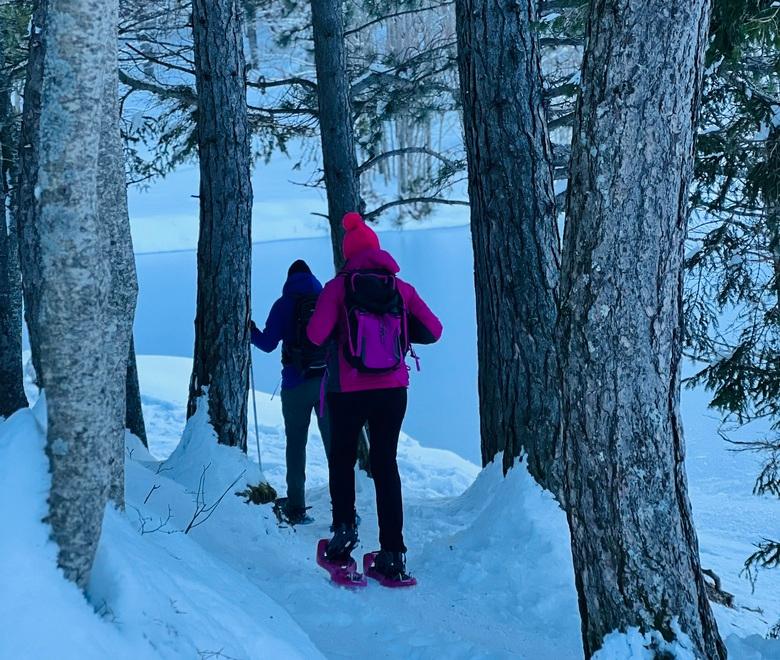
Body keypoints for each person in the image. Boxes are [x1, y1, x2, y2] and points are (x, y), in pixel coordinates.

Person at [307, 212, 442, 582]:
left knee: (342, 460)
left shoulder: (338, 288)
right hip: (393, 390)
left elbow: (315, 336)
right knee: (386, 465)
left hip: (347, 391)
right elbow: (435, 330)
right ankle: (393, 554)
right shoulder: (401, 289)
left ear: (347, 254)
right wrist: (395, 335)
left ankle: (343, 535)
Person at [250, 259, 330, 525]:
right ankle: (345, 511)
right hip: (326, 385)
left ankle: (296, 507)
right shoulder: (326, 301)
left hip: (295, 385)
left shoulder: (282, 305)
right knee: (335, 447)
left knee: (296, 445)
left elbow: (268, 344)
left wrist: (249, 330)